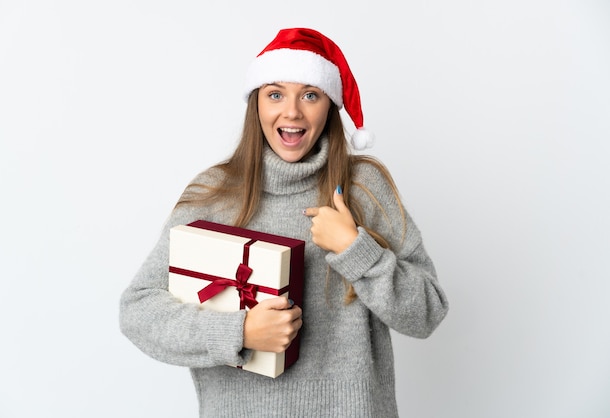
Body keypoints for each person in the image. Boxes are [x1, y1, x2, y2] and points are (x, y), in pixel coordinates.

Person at [120, 27, 448, 417]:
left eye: (310, 95)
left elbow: (428, 312)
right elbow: (138, 311)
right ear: (255, 104)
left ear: (329, 105)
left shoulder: (363, 189)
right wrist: (239, 332)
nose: (292, 112)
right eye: (275, 94)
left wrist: (357, 252)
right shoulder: (213, 193)